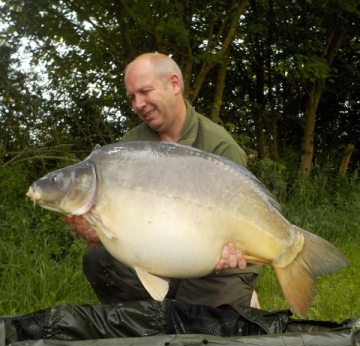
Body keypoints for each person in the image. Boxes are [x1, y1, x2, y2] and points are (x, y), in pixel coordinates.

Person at [63, 53, 263, 309]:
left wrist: (236, 249)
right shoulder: (129, 148)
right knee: (98, 259)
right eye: (132, 97)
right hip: (156, 257)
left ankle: (243, 299)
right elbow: (124, 223)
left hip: (211, 264)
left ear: (175, 84)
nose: (138, 104)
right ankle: (151, 319)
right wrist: (100, 233)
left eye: (145, 91)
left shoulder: (220, 146)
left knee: (199, 326)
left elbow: (244, 221)